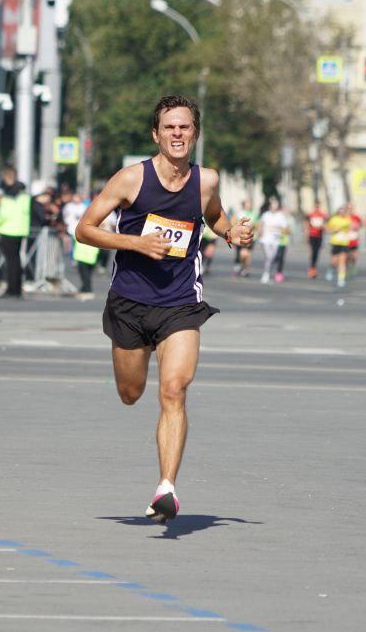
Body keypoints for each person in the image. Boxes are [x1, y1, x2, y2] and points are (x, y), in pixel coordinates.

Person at [74, 94, 254, 525]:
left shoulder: (205, 180)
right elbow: (84, 230)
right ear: (156, 134)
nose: (178, 134)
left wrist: (233, 233)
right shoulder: (130, 179)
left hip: (180, 304)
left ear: (195, 133)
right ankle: (162, 477)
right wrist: (136, 242)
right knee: (131, 394)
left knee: (174, 389)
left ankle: (166, 488)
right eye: (170, 127)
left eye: (185, 127)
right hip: (130, 302)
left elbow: (214, 217)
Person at [0, 167, 30, 298]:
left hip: (8, 229)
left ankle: (11, 289)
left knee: (11, 262)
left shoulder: (8, 194)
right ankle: (17, 289)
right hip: (20, 229)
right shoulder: (24, 194)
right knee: (16, 260)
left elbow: (5, 213)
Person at [257, 197, 289, 284]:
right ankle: (266, 274)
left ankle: (268, 273)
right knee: (269, 256)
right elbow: (260, 224)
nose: (274, 206)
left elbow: (285, 228)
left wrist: (278, 229)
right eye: (273, 205)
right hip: (266, 239)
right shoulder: (266, 215)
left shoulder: (280, 216)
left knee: (273, 257)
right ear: (270, 206)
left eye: (276, 205)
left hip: (276, 239)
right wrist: (259, 233)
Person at [325, 206, 354, 288]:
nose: (342, 213)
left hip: (344, 243)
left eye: (343, 211)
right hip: (335, 242)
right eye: (341, 211)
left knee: (342, 261)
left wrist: (349, 232)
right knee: (334, 261)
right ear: (338, 212)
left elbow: (350, 229)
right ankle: (331, 269)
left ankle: (341, 279)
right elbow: (327, 229)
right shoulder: (334, 219)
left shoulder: (347, 220)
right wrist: (334, 230)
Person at [232, 198, 254, 277]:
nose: (249, 205)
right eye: (247, 204)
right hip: (239, 236)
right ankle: (238, 265)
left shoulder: (254, 213)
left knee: (247, 254)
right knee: (240, 253)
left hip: (250, 236)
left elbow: (258, 225)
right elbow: (233, 223)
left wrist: (253, 227)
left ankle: (246, 268)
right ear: (244, 205)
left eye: (250, 204)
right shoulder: (239, 213)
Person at [306, 203, 327, 278]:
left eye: (318, 207)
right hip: (312, 236)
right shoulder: (311, 215)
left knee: (317, 252)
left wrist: (323, 227)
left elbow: (325, 226)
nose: (317, 208)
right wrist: (306, 233)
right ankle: (312, 268)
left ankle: (313, 268)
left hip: (319, 236)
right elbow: (307, 224)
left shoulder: (322, 215)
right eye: (316, 207)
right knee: (313, 252)